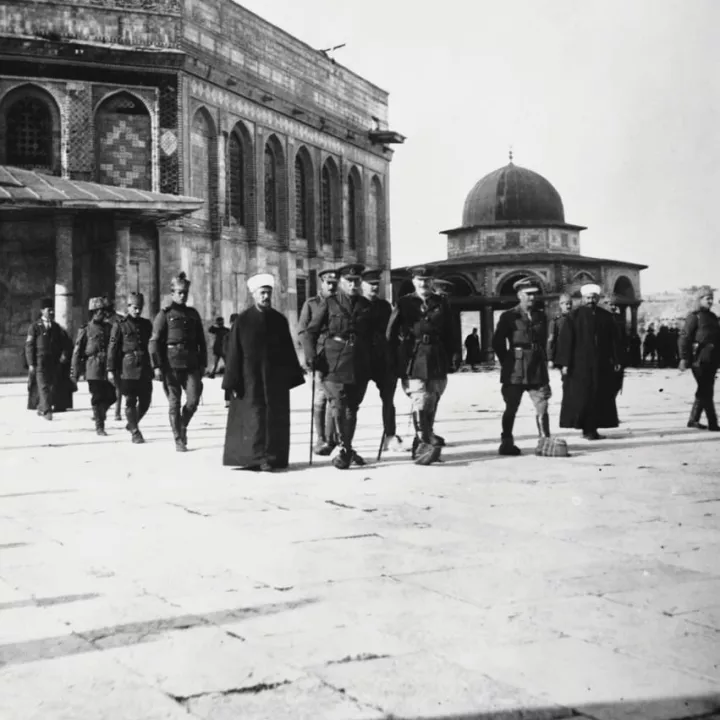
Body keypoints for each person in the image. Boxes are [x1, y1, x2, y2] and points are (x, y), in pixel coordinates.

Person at [222, 273, 305, 471]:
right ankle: (255, 458)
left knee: (274, 417)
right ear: (254, 294)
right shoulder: (242, 321)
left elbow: (287, 350)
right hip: (249, 378)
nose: (266, 297)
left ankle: (273, 457)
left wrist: (291, 376)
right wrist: (232, 382)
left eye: (268, 293)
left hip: (275, 379)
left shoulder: (279, 320)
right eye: (262, 293)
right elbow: (233, 353)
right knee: (254, 417)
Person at [303, 263, 376, 470]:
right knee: (339, 404)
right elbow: (310, 332)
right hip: (334, 361)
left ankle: (347, 446)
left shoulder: (366, 305)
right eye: (349, 281)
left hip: (359, 362)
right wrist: (311, 358)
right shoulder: (330, 303)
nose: (353, 285)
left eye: (356, 281)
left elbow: (373, 336)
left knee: (352, 407)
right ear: (341, 282)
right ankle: (344, 448)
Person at [386, 265, 457, 465]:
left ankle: (420, 443)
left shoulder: (441, 302)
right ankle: (426, 442)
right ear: (414, 282)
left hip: (436, 356)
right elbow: (390, 335)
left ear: (432, 282)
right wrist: (392, 359)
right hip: (413, 356)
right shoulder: (404, 303)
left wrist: (455, 355)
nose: (423, 284)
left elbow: (451, 331)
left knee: (433, 399)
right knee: (420, 399)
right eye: (419, 280)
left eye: (427, 280)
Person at [491, 277, 551, 456]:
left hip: (537, 367)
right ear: (519, 295)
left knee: (542, 403)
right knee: (511, 406)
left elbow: (543, 340)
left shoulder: (541, 315)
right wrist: (507, 362)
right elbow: (497, 342)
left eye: (534, 294)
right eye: (528, 294)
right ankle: (507, 442)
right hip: (515, 369)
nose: (532, 298)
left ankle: (544, 441)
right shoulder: (509, 316)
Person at [554, 283, 621, 440]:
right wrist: (565, 363)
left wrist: (617, 359)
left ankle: (593, 429)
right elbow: (565, 342)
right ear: (583, 298)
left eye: (593, 298)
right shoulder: (573, 317)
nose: (591, 300)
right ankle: (585, 428)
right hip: (579, 366)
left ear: (597, 299)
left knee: (599, 396)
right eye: (588, 298)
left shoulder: (606, 317)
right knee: (582, 397)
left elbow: (614, 341)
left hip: (601, 364)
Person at [149, 271, 207, 452]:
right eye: (179, 293)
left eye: (185, 293)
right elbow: (154, 341)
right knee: (174, 402)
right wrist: (157, 366)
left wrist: (203, 364)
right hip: (171, 364)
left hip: (191, 363)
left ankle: (182, 425)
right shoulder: (164, 314)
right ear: (172, 293)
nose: (182, 296)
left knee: (193, 400)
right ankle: (178, 439)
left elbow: (201, 341)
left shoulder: (193, 314)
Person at [297, 268, 340, 455]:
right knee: (321, 397)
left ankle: (331, 438)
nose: (332, 286)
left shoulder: (341, 303)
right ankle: (321, 437)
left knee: (334, 397)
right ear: (321, 283)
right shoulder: (311, 303)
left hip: (337, 356)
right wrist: (309, 357)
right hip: (319, 357)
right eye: (328, 282)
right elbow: (303, 331)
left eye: (334, 283)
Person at [362, 269, 403, 452]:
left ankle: (390, 435)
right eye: (371, 284)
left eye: (377, 285)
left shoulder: (385, 306)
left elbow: (392, 333)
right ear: (362, 285)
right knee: (350, 402)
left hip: (382, 359)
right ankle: (343, 440)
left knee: (388, 400)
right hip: (361, 359)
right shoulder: (357, 304)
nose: (374, 288)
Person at [108, 292, 154, 444]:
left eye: (140, 308)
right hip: (127, 367)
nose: (137, 311)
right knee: (130, 401)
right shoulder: (119, 325)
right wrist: (110, 369)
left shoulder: (146, 324)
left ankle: (131, 422)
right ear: (128, 307)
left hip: (145, 367)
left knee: (146, 401)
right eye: (135, 308)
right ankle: (135, 431)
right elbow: (113, 348)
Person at [71, 297, 116, 436]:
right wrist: (74, 373)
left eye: (103, 310)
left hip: (107, 367)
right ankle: (99, 426)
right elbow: (77, 352)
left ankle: (100, 414)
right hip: (93, 367)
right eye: (99, 311)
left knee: (112, 396)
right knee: (97, 397)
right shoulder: (85, 329)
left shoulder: (109, 328)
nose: (102, 313)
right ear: (93, 312)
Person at [678, 285, 720, 431]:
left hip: (713, 359)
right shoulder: (693, 317)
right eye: (708, 298)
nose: (710, 301)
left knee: (704, 390)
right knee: (706, 390)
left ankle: (693, 420)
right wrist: (683, 358)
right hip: (699, 360)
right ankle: (713, 423)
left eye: (712, 299)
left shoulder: (714, 317)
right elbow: (684, 338)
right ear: (700, 299)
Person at [24, 297, 67, 420]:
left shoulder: (56, 327)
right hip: (40, 362)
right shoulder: (35, 327)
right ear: (42, 311)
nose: (51, 312)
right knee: (43, 386)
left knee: (51, 386)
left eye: (53, 310)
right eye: (49, 310)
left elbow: (64, 344)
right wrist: (31, 363)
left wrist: (64, 355)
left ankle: (41, 407)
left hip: (53, 362)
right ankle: (47, 411)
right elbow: (29, 346)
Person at [105, 297, 125, 422]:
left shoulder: (119, 320)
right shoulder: (102, 320)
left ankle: (117, 412)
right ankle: (102, 410)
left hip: (116, 356)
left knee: (117, 385)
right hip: (105, 355)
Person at [607, 296, 628, 401]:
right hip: (607, 354)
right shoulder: (603, 318)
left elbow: (623, 336)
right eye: (611, 305)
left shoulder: (620, 318)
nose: (613, 307)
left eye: (615, 305)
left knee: (617, 383)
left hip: (619, 352)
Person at [547, 293, 573, 368]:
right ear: (560, 305)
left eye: (570, 304)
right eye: (567, 304)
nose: (569, 306)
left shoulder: (576, 320)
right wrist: (550, 358)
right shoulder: (556, 322)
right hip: (561, 357)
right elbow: (551, 341)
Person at [223, 313, 239, 408]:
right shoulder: (227, 335)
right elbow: (225, 350)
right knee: (229, 381)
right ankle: (228, 400)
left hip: (240, 362)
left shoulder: (244, 334)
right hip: (230, 361)